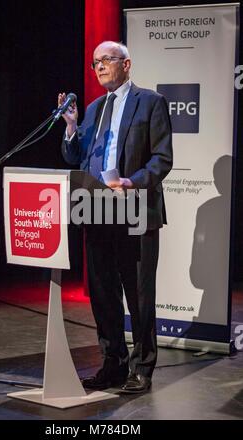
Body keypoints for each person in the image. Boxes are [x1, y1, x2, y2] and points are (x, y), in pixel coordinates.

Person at [59, 41, 173, 393]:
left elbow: (161, 158)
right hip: (95, 210)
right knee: (103, 293)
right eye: (95, 63)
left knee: (138, 294)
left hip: (135, 207)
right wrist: (71, 128)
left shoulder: (150, 102)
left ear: (127, 64)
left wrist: (132, 181)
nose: (99, 67)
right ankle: (113, 364)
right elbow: (74, 157)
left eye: (106, 60)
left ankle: (142, 368)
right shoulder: (92, 109)